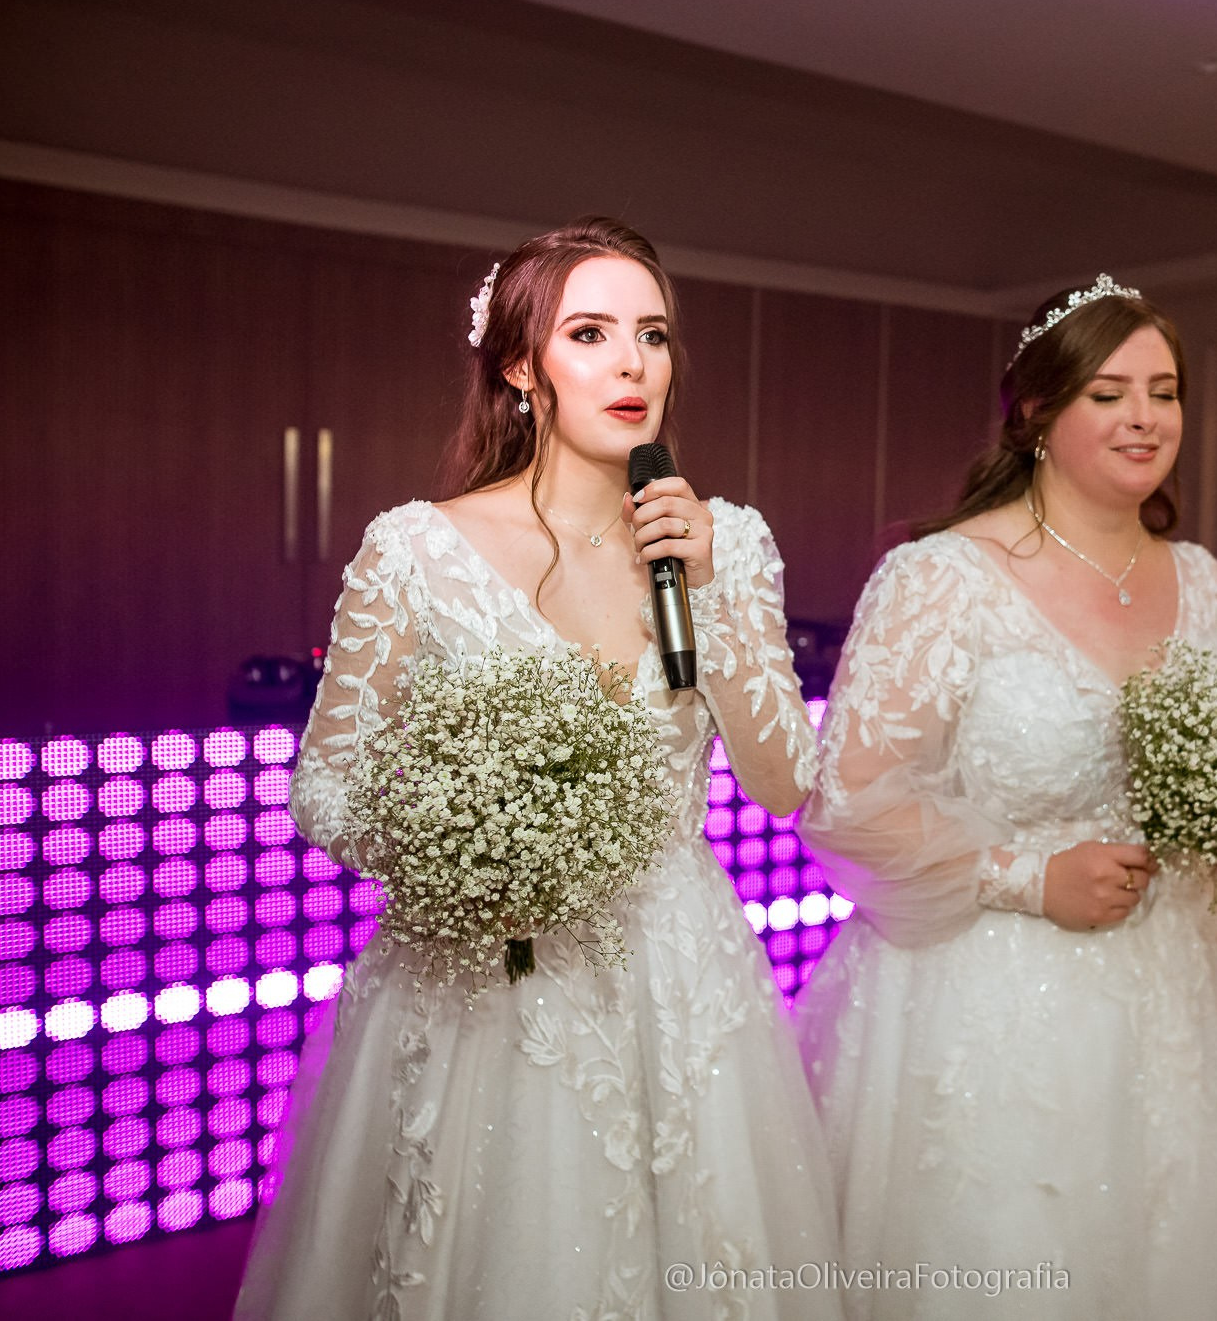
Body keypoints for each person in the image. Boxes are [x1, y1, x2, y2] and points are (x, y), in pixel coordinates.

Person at [234, 218, 840, 1320]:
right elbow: (322, 787)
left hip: (674, 975)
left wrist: (705, 587)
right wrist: (469, 847)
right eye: (592, 333)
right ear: (522, 367)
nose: (632, 365)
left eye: (652, 335)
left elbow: (786, 781)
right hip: (483, 980)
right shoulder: (415, 549)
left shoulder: (726, 541)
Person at [794, 276, 1217, 1320]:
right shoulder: (939, 576)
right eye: (1108, 392)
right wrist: (1023, 876)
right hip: (989, 998)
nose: (1144, 416)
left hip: (1172, 1000)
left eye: (1164, 391)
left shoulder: (1203, 581)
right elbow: (850, 800)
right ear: (1036, 413)